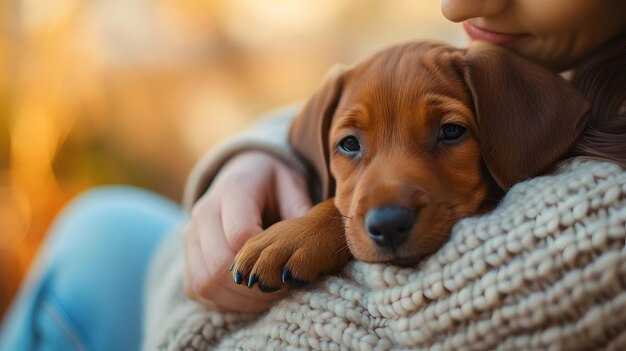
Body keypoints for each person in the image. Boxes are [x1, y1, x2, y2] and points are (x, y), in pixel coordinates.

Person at [1, 0, 624, 350]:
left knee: (96, 236)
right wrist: (257, 158)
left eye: (453, 133)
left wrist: (327, 218)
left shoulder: (599, 218)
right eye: (349, 146)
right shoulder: (550, 53)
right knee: (100, 221)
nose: (455, 5)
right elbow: (383, 97)